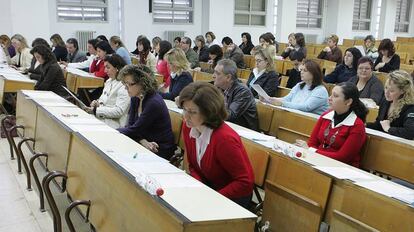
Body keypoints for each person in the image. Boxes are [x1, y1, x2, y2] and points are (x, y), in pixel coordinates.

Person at [179, 82, 254, 208]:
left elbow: (245, 183)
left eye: (192, 112)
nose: (186, 116)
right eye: (184, 109)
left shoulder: (224, 139)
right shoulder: (189, 128)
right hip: (209, 190)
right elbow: (193, 166)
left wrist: (212, 198)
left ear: (209, 112)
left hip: (232, 198)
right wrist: (199, 189)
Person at [296, 82, 368, 167]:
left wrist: (312, 151)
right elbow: (312, 142)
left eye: (335, 96)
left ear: (348, 102)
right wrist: (311, 150)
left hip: (341, 169)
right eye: (331, 95)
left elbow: (342, 157)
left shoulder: (357, 126)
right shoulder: (325, 116)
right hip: (318, 161)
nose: (330, 98)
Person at [118, 64, 176, 160]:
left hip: (159, 148)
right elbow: (131, 126)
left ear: (142, 83)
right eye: (125, 84)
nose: (126, 88)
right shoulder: (135, 98)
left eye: (129, 84)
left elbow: (134, 130)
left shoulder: (153, 103)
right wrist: (142, 141)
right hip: (145, 142)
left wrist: (113, 131)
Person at [84, 54, 130, 128]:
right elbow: (103, 100)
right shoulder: (109, 81)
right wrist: (97, 103)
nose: (105, 70)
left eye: (108, 67)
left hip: (115, 123)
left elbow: (118, 111)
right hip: (104, 118)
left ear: (117, 68)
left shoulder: (124, 85)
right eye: (105, 67)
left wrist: (96, 110)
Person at [367, 70, 414, 140]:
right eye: (386, 88)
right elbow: (379, 124)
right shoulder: (385, 102)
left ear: (402, 91)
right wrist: (364, 125)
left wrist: (389, 129)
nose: (386, 93)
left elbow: (410, 132)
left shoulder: (411, 107)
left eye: (391, 91)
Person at [213, 59, 258, 131]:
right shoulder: (219, 87)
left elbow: (230, 115)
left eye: (217, 73)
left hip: (245, 132)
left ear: (228, 77)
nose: (213, 76)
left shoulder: (242, 91)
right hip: (229, 127)